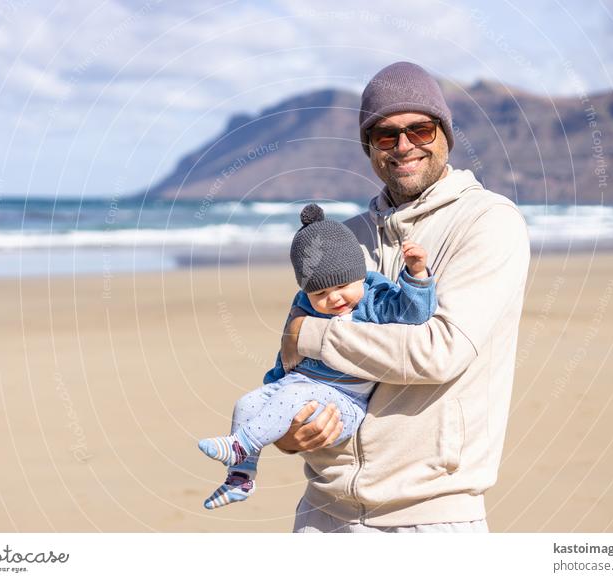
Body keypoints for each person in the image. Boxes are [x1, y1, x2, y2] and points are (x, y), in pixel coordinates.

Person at [276, 62, 531, 532]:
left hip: (429, 517)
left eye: (421, 129)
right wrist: (289, 434)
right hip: (322, 514)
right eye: (386, 135)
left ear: (445, 135)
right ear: (369, 146)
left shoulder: (489, 222)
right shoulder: (343, 238)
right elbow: (293, 363)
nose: (404, 146)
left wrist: (310, 333)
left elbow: (439, 352)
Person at [198, 203, 437, 509]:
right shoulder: (304, 310)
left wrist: (416, 273)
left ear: (359, 276)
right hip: (300, 390)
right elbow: (287, 357)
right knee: (247, 403)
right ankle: (240, 478)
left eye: (341, 286)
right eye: (319, 294)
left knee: (296, 395)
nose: (333, 298)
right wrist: (272, 386)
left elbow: (413, 314)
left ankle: (241, 445)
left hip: (345, 404)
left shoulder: (374, 300)